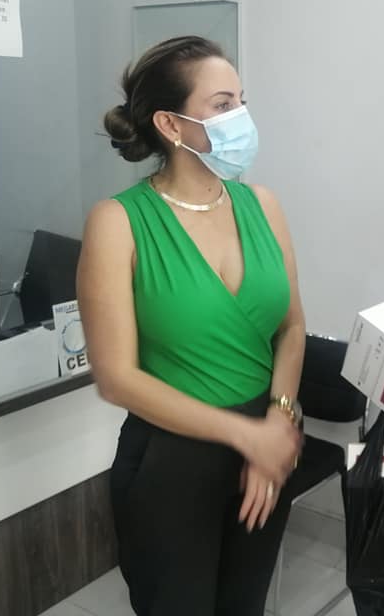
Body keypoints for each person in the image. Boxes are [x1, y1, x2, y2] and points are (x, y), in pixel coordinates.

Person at [76, 36, 305, 615]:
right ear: (171, 125)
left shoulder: (263, 205)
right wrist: (247, 437)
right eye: (223, 105)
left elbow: (292, 328)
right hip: (170, 459)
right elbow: (116, 379)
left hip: (262, 455)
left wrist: (276, 421)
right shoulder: (118, 222)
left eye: (242, 102)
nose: (241, 118)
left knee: (244, 605)